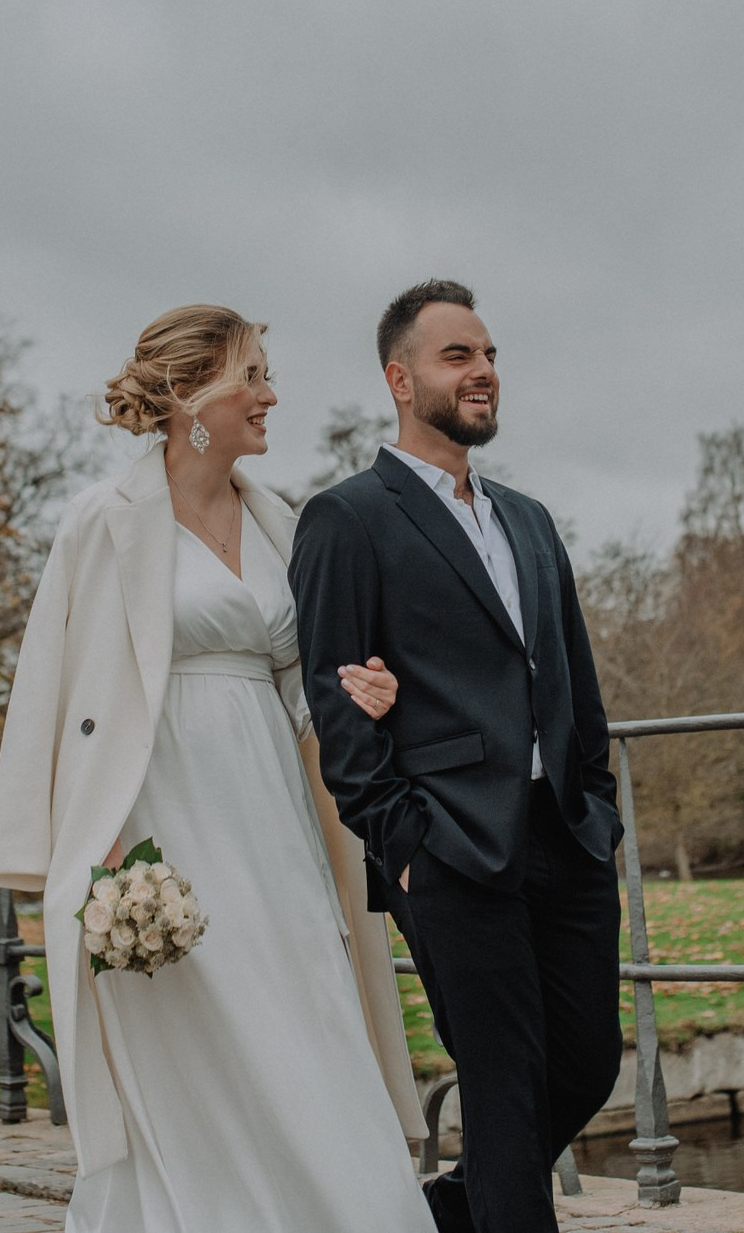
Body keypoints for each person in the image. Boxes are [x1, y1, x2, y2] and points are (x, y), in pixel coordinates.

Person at [0, 305, 432, 1233]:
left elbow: (305, 685)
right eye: (251, 376)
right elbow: (55, 689)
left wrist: (365, 694)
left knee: (310, 1008)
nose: (270, 396)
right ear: (191, 395)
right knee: (198, 1041)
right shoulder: (102, 522)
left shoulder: (281, 521)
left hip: (276, 810)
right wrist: (96, 851)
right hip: (161, 817)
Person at [291, 279, 624, 1233]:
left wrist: (596, 806)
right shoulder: (348, 518)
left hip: (564, 833)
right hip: (448, 847)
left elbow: (575, 681)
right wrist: (403, 845)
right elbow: (337, 706)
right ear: (400, 380)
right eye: (457, 356)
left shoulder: (530, 519)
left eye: (488, 354)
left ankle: (450, 1209)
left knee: (588, 1062)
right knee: (504, 1079)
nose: (483, 371)